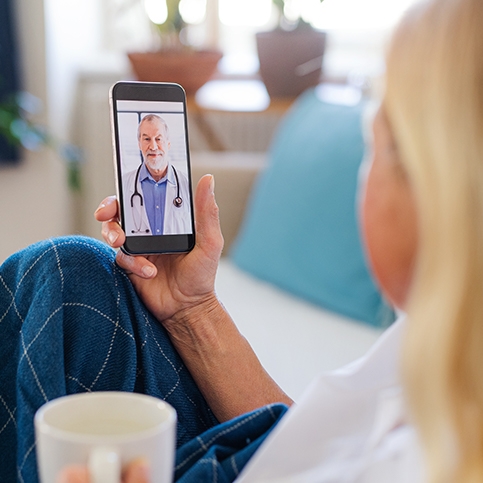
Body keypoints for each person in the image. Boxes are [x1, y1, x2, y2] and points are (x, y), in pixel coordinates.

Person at [1, 0, 482, 480]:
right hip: (272, 450)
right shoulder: (439, 350)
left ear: (439, 188)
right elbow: (311, 443)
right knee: (69, 272)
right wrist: (193, 310)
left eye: (374, 142)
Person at [122, 114, 192, 236]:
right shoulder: (124, 183)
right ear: (139, 144)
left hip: (177, 254)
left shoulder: (187, 182)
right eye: (147, 139)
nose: (153, 147)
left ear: (168, 144)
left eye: (158, 139)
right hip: (140, 254)